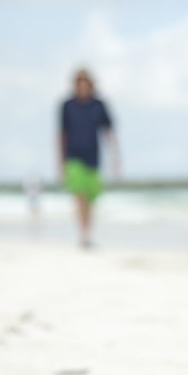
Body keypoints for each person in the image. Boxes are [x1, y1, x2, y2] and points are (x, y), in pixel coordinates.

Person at [58, 68, 121, 248]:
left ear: (91, 84)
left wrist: (115, 156)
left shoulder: (99, 105)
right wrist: (61, 162)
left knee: (91, 199)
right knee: (80, 195)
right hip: (73, 157)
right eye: (80, 83)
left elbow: (109, 131)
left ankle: (88, 232)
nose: (83, 87)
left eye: (86, 83)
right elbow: (61, 135)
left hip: (93, 157)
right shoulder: (67, 106)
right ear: (75, 85)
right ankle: (83, 234)